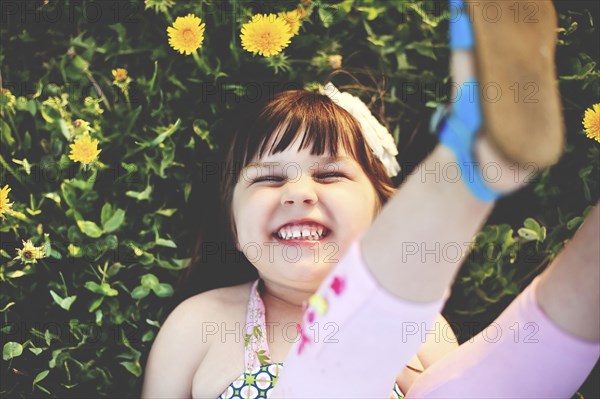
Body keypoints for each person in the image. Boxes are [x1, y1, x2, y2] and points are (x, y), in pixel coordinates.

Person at [141, 1, 599, 398]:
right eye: (268, 180)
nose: (299, 192)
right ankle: (471, 160)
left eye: (330, 174)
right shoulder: (200, 323)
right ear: (233, 226)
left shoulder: (423, 330)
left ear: (386, 212)